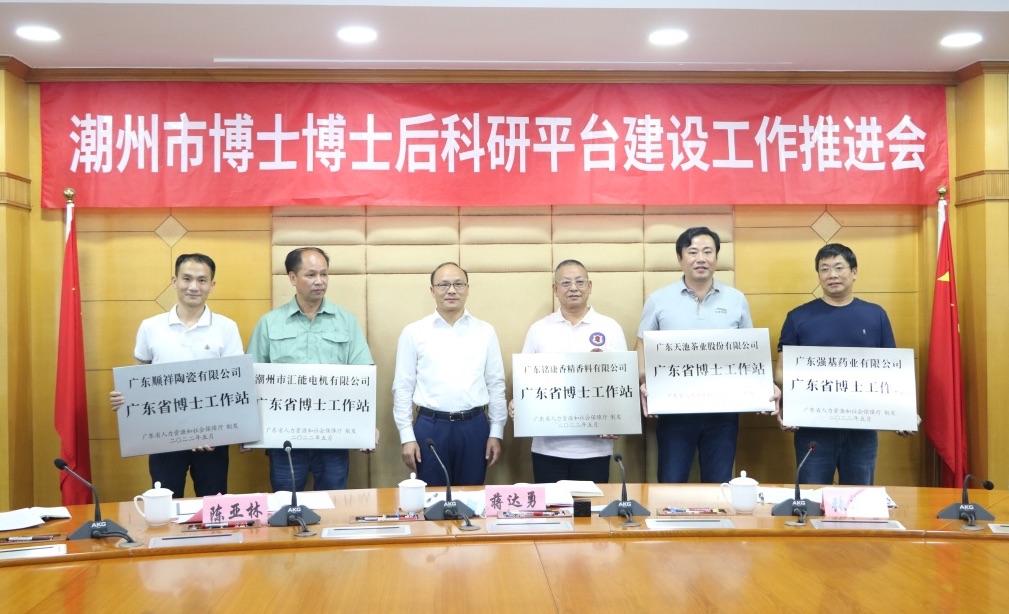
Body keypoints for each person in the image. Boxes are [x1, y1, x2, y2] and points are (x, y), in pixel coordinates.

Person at [636, 227, 780, 484]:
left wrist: (763, 388)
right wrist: (645, 382)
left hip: (723, 411)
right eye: (692, 252)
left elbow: (750, 353)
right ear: (680, 258)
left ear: (716, 257)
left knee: (719, 484)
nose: (700, 258)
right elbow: (642, 349)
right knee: (671, 483)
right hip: (674, 409)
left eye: (707, 252)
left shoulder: (736, 299)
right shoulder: (659, 300)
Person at [775, 243, 912, 485]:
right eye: (824, 269)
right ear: (818, 275)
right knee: (811, 496)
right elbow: (781, 372)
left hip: (862, 428)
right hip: (813, 428)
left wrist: (903, 413)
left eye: (839, 267)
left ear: (854, 272)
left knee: (859, 498)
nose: (832, 275)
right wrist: (791, 406)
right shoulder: (798, 317)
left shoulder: (876, 315)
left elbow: (892, 374)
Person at [110, 253, 243, 498]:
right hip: (164, 436)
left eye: (202, 280)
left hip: (211, 439)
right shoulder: (151, 326)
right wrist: (125, 397)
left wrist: (213, 432)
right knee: (165, 505)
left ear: (212, 285)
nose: (194, 287)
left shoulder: (226, 327)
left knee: (213, 506)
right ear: (174, 281)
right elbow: (139, 377)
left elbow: (235, 385)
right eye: (187, 279)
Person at [248, 247, 375, 491]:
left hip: (334, 435)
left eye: (324, 274)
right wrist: (248, 430)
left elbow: (363, 376)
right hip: (283, 436)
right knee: (286, 505)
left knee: (332, 504)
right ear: (292, 277)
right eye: (311, 275)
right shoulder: (269, 323)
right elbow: (251, 379)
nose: (320, 281)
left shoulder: (346, 321)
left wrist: (366, 426)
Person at [511, 259, 626, 484]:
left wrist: (617, 419)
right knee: (552, 505)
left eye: (579, 282)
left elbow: (622, 382)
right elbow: (524, 381)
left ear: (589, 286)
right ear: (555, 289)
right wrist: (519, 404)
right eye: (565, 283)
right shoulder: (539, 329)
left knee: (591, 506)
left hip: (595, 449)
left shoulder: (610, 328)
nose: (573, 288)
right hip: (547, 448)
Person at [393, 262, 507, 487]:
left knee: (472, 497)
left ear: (467, 288)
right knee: (432, 498)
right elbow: (403, 387)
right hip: (430, 427)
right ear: (432, 290)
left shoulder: (485, 331)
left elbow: (496, 384)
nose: (451, 290)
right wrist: (406, 436)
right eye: (443, 285)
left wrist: (496, 432)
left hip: (474, 426)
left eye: (458, 284)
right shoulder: (414, 332)